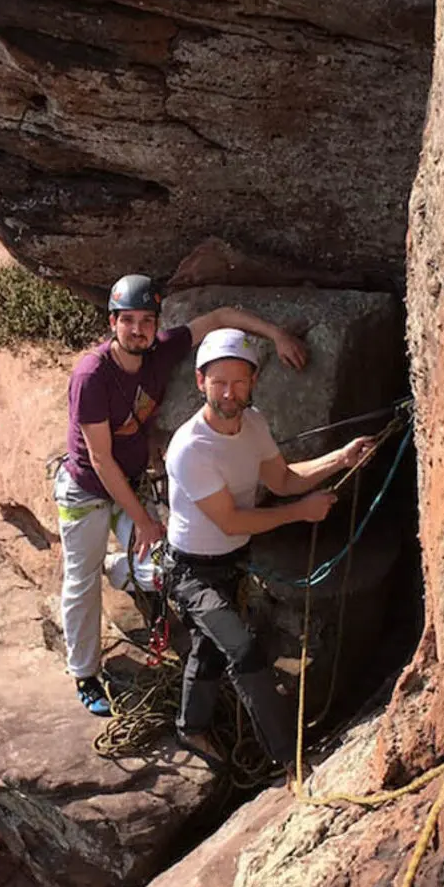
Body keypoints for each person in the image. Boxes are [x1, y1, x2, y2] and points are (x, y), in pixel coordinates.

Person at [57, 276, 308, 716]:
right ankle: (85, 673)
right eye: (128, 321)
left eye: (147, 321)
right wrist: (145, 521)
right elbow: (99, 459)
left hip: (130, 483)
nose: (138, 330)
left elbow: (221, 318)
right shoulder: (92, 375)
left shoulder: (161, 352)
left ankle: (122, 568)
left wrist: (276, 334)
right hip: (87, 491)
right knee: (81, 581)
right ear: (112, 322)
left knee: (164, 568)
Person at [164, 327, 374, 766]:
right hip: (191, 571)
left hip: (232, 560)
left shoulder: (253, 424)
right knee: (242, 650)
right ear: (200, 382)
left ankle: (191, 729)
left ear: (253, 382)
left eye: (239, 382)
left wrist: (340, 458)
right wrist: (301, 512)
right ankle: (290, 758)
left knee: (209, 647)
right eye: (219, 382)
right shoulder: (190, 449)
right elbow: (230, 519)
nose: (229, 393)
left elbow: (282, 480)